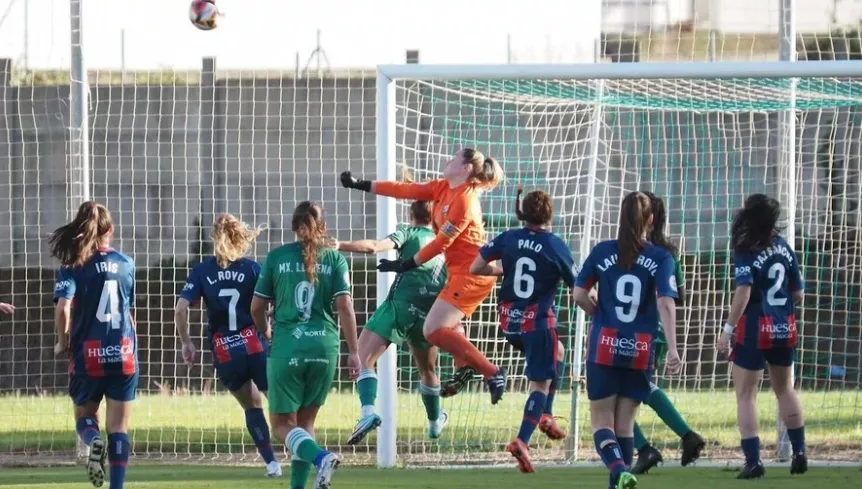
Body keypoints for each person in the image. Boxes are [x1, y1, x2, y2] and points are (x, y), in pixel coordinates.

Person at [340, 148, 508, 404]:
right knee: (440, 327)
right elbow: (403, 190)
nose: (447, 159)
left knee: (433, 329)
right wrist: (361, 184)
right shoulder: (443, 188)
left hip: (472, 275)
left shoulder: (465, 200)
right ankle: (467, 364)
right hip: (459, 274)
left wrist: (406, 264)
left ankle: (491, 371)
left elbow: (442, 242)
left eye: (453, 158)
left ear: (465, 168)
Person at [572, 192, 681, 489]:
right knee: (624, 424)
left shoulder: (601, 251)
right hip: (640, 347)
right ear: (650, 220)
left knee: (601, 422)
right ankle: (619, 478)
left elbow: (579, 294)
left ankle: (619, 470)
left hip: (605, 343)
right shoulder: (661, 257)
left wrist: (600, 313)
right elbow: (666, 303)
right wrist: (672, 348)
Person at [251, 201, 360, 489]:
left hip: (288, 347)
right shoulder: (335, 259)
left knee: (281, 425)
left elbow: (256, 306)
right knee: (305, 424)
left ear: (292, 227)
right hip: (325, 348)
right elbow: (345, 306)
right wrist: (355, 352)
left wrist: (266, 331)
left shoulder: (276, 258)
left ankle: (322, 457)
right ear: (322, 227)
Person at [470, 187, 572, 473]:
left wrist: (503, 270)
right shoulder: (555, 245)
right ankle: (522, 440)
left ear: (523, 213)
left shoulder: (509, 238)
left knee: (558, 351)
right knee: (539, 384)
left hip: (509, 323)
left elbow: (476, 267)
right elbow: (577, 284)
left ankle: (547, 415)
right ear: (549, 214)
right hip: (536, 322)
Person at [174, 214, 281, 477]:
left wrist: (187, 343)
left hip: (225, 351)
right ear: (239, 237)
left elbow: (180, 310)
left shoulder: (201, 271)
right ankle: (307, 451)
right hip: (254, 345)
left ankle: (272, 464)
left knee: (251, 406)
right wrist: (268, 322)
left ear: (214, 238)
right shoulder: (253, 269)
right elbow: (275, 301)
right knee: (279, 403)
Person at [336, 200, 450, 445]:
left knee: (364, 359)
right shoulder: (446, 242)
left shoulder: (409, 233)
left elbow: (374, 247)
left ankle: (367, 413)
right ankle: (434, 422)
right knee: (428, 371)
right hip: (430, 315)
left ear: (411, 214)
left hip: (400, 307)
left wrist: (339, 244)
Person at [716, 194, 807, 479]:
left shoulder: (746, 248)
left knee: (746, 395)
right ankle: (800, 453)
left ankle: (753, 462)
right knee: (785, 389)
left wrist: (727, 330)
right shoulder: (784, 248)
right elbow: (797, 292)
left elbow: (743, 292)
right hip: (784, 325)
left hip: (755, 327)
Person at [50, 201, 137, 489]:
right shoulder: (126, 264)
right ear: (110, 230)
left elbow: (63, 307)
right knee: (119, 427)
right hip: (124, 351)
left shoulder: (73, 265)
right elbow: (128, 312)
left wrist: (62, 342)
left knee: (85, 417)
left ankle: (93, 440)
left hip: (88, 355)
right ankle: (117, 486)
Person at [630, 192, 705, 474]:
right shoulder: (667, 253)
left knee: (611, 394)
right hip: (657, 332)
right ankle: (684, 437)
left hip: (634, 331)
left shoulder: (630, 251)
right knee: (635, 389)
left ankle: (647, 449)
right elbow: (679, 295)